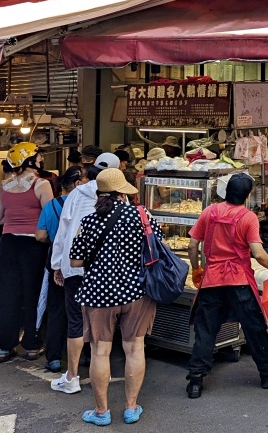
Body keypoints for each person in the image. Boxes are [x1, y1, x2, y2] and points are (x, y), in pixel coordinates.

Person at [185, 173, 268, 398]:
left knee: (206, 330)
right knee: (254, 328)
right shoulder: (248, 217)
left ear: (225, 192)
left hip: (212, 279)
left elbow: (193, 245)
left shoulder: (209, 212)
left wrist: (196, 269)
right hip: (239, 281)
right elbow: (259, 254)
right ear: (248, 195)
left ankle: (195, 381)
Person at [69, 169, 159, 426]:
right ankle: (131, 408)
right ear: (123, 193)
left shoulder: (89, 221)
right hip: (136, 290)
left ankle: (101, 412)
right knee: (134, 348)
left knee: (100, 351)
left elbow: (75, 260)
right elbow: (157, 248)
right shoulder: (142, 217)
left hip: (99, 292)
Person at [0, 143, 53, 363]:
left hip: (8, 243)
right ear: (30, 161)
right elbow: (50, 217)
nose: (41, 159)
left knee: (8, 294)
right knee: (33, 293)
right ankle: (32, 345)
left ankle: (5, 347)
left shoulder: (3, 185)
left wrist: (14, 219)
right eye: (38, 157)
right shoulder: (41, 185)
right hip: (33, 245)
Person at [49, 163, 102, 395]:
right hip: (103, 271)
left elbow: (63, 230)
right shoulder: (119, 198)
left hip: (75, 266)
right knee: (102, 322)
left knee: (76, 321)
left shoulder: (75, 196)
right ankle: (103, 371)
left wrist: (57, 264)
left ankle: (72, 377)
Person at [35, 166, 86, 373]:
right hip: (79, 263)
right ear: (76, 184)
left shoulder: (52, 205)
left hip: (57, 261)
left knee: (56, 310)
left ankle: (54, 357)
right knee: (83, 311)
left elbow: (40, 236)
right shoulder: (86, 205)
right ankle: (84, 356)